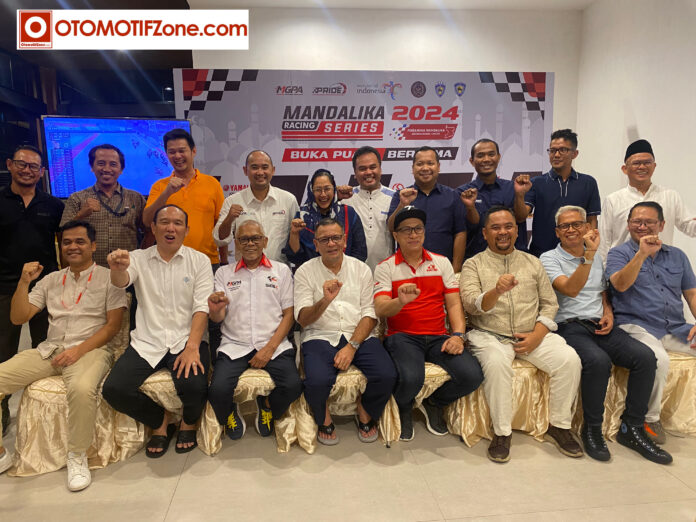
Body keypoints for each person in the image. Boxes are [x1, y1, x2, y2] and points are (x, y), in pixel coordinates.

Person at [0, 221, 126, 490]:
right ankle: (1, 453)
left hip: (91, 349)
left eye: (80, 241)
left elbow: (112, 327)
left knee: (81, 388)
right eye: (67, 242)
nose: (72, 247)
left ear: (93, 246)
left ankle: (77, 455)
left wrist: (78, 351)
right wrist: (24, 282)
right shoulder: (50, 280)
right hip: (50, 349)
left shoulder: (109, 278)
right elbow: (18, 317)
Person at [540, 206, 671, 464]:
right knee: (598, 362)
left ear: (587, 227)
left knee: (646, 358)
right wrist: (588, 256)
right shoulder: (549, 258)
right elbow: (570, 289)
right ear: (557, 232)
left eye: (577, 224)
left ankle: (632, 428)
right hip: (569, 325)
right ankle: (592, 429)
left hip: (599, 323)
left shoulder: (597, 257)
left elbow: (602, 292)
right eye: (565, 226)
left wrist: (608, 311)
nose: (571, 230)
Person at [460, 205, 583, 463]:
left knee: (569, 360)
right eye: (495, 227)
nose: (503, 232)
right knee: (496, 363)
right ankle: (502, 433)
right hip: (489, 334)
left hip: (532, 333)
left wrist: (538, 334)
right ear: (485, 233)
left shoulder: (532, 262)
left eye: (508, 227)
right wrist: (496, 291)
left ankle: (559, 426)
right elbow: (471, 305)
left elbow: (550, 304)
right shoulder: (473, 264)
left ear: (517, 231)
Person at [103, 205, 213, 457]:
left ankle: (188, 423)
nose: (170, 228)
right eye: (164, 222)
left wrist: (192, 347)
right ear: (153, 227)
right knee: (115, 389)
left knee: (195, 385)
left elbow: (201, 307)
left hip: (186, 339)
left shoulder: (199, 261)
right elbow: (121, 281)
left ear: (186, 229)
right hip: (147, 342)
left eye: (177, 223)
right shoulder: (138, 258)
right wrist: (117, 269)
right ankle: (160, 422)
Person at [374, 206, 483, 441]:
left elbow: (453, 304)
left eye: (418, 229)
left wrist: (458, 335)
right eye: (406, 230)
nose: (413, 234)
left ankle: (434, 402)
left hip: (438, 336)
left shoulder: (441, 263)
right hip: (402, 336)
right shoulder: (385, 267)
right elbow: (380, 309)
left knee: (472, 375)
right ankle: (404, 406)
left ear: (424, 232)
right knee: (412, 378)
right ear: (396, 235)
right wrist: (400, 301)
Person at [294, 217, 396, 445]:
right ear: (316, 244)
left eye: (335, 238)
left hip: (358, 334)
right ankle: (324, 417)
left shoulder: (361, 269)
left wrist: (352, 346)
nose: (331, 243)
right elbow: (302, 319)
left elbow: (370, 314)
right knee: (317, 381)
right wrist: (325, 301)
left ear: (344, 240)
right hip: (320, 335)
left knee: (386, 374)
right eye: (324, 240)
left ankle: (365, 408)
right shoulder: (304, 272)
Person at [606, 201, 696, 445]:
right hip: (636, 325)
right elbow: (619, 285)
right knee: (659, 359)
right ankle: (649, 419)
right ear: (628, 225)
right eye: (637, 222)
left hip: (675, 327)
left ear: (662, 225)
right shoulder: (618, 254)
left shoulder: (677, 256)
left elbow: (691, 294)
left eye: (649, 222)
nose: (642, 226)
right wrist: (642, 254)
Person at [207, 218, 302, 440]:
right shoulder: (223, 274)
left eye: (255, 238)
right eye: (244, 239)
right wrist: (215, 310)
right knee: (217, 391)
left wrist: (269, 349)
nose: (250, 243)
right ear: (236, 244)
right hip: (234, 344)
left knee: (293, 386)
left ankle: (266, 405)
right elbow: (218, 317)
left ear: (265, 241)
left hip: (273, 344)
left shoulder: (281, 271)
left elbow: (289, 314)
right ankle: (230, 411)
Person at [0, 145, 64, 433]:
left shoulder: (52, 205)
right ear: (9, 164)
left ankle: (40, 410)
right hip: (4, 286)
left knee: (45, 349)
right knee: (4, 349)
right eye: (22, 164)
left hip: (45, 287)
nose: (27, 170)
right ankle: (3, 410)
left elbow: (65, 244)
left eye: (33, 167)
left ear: (41, 172)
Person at [598, 139, 696, 262]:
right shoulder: (613, 200)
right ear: (625, 169)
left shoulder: (670, 196)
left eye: (647, 162)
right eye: (636, 163)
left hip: (661, 266)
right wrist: (605, 269)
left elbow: (689, 226)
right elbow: (604, 241)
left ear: (654, 166)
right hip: (624, 266)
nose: (642, 167)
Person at [142, 128, 225, 266]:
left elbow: (221, 225)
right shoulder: (160, 186)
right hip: (169, 263)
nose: (177, 156)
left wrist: (224, 262)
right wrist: (167, 193)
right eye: (172, 152)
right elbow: (147, 221)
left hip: (207, 262)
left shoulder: (212, 184)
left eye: (182, 150)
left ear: (193, 151)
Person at [60, 144, 146, 267]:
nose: (106, 169)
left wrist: (142, 256)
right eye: (101, 163)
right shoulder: (77, 198)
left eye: (113, 164)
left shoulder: (136, 198)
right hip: (89, 270)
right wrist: (81, 215)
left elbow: (149, 230)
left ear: (121, 169)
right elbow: (63, 233)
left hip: (127, 269)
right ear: (92, 167)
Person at [520, 129, 601, 257]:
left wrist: (590, 249)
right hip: (542, 254)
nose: (556, 155)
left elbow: (591, 220)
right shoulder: (536, 183)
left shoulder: (588, 182)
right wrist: (519, 194)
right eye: (552, 150)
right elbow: (522, 215)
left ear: (574, 153)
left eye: (562, 150)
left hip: (577, 255)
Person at [387, 146, 467, 271]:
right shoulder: (401, 196)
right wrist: (402, 205)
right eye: (420, 164)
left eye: (430, 163)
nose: (425, 168)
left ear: (438, 167)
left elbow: (460, 233)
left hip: (443, 268)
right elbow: (391, 228)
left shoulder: (452, 196)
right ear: (413, 168)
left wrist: (455, 268)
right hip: (406, 268)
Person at [213, 150, 299, 265]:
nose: (260, 172)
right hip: (244, 271)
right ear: (245, 170)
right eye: (254, 167)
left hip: (280, 271)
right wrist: (229, 218)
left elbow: (298, 240)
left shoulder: (288, 200)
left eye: (265, 167)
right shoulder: (232, 201)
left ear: (273, 170)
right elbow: (219, 240)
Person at [457, 139, 529, 258]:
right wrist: (470, 207)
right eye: (480, 155)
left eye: (491, 154)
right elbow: (469, 225)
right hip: (477, 259)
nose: (486, 159)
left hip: (514, 258)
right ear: (472, 161)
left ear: (498, 157)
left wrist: (520, 195)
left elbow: (521, 218)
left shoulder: (513, 187)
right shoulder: (462, 193)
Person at [284, 169, 367, 268]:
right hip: (311, 274)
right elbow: (295, 258)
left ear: (334, 189)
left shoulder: (348, 213)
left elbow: (360, 252)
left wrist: (344, 271)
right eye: (318, 190)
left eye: (327, 189)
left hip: (346, 273)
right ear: (311, 191)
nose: (323, 194)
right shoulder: (301, 217)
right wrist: (294, 233)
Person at [337, 146, 395, 271]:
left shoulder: (395, 198)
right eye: (362, 169)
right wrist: (334, 197)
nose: (368, 172)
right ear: (355, 172)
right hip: (352, 272)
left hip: (386, 272)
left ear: (380, 169)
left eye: (373, 167)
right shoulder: (345, 199)